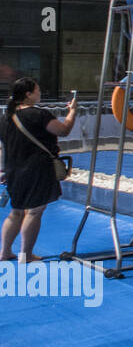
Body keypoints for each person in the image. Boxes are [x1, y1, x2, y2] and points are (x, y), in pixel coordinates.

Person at [1, 78, 77, 262]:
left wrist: (2, 170)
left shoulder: (5, 117)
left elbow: (3, 147)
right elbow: (63, 130)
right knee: (34, 211)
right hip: (37, 169)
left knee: (16, 211)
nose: (40, 93)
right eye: (37, 90)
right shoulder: (39, 115)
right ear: (28, 94)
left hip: (13, 169)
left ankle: (4, 252)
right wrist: (72, 112)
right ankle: (26, 254)